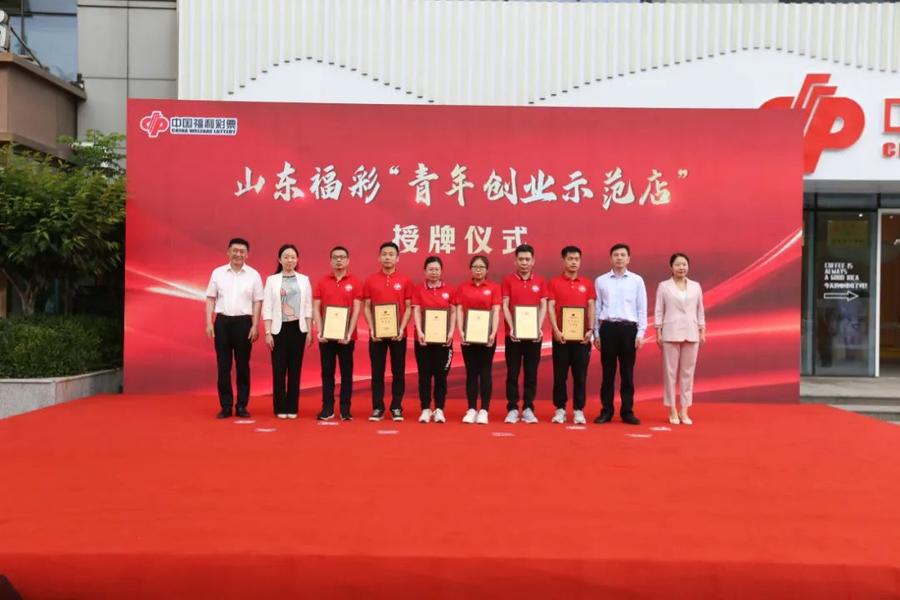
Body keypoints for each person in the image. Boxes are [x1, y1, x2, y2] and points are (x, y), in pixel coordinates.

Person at [205, 237, 264, 419]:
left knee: (242, 366)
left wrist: (255, 325)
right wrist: (209, 322)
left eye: (242, 251)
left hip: (244, 323)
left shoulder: (254, 275)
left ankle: (242, 405)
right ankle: (226, 405)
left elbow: (257, 302)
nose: (238, 254)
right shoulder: (218, 273)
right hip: (222, 323)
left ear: (247, 254)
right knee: (223, 366)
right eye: (235, 251)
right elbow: (210, 298)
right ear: (228, 252)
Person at [593, 243, 647, 425]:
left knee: (627, 374)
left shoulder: (636, 280)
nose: (619, 258)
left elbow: (641, 308)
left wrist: (640, 333)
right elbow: (597, 309)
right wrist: (596, 334)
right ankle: (606, 411)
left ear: (628, 258)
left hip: (629, 330)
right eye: (616, 255)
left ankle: (627, 412)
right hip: (608, 329)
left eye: (623, 255)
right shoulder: (601, 281)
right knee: (607, 374)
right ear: (610, 258)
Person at [363, 242, 413, 422]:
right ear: (379, 257)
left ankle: (396, 406)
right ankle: (377, 407)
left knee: (398, 372)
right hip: (377, 334)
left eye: (391, 254)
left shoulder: (405, 280)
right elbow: (366, 307)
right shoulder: (371, 280)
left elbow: (409, 307)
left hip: (398, 334)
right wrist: (372, 328)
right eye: (384, 254)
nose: (387, 257)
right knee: (377, 372)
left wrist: (401, 328)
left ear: (397, 258)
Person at [654, 253, 706, 425]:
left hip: (692, 332)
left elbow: (700, 310)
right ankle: (672, 409)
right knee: (670, 373)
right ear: (671, 267)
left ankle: (684, 410)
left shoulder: (696, 286)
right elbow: (659, 310)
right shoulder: (664, 286)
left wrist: (702, 330)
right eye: (677, 264)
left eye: (684, 264)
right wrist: (658, 331)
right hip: (670, 332)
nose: (681, 267)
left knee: (687, 373)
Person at [262, 244, 313, 419]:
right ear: (280, 259)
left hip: (298, 329)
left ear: (297, 260)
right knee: (279, 369)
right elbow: (267, 307)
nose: (289, 260)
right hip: (278, 329)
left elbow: (308, 307)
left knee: (295, 369)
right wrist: (268, 332)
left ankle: (292, 407)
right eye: (286, 257)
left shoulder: (304, 280)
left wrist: (309, 331)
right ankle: (280, 407)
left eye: (292, 257)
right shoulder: (272, 280)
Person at [312, 246, 363, 421]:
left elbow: (356, 310)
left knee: (347, 373)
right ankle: (327, 408)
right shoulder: (322, 282)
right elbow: (316, 308)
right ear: (330, 261)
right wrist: (320, 330)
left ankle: (345, 409)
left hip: (347, 337)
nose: (339, 260)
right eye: (335, 257)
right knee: (327, 373)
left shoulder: (355, 282)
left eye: (342, 257)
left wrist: (349, 333)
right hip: (326, 336)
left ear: (348, 260)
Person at [547, 245, 596, 425]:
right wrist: (555, 330)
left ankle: (578, 410)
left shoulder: (587, 283)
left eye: (576, 259)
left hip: (582, 339)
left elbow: (591, 306)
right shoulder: (554, 282)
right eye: (570, 259)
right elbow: (551, 307)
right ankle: (559, 409)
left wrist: (590, 329)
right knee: (560, 376)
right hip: (561, 337)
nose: (574, 262)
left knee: (580, 376)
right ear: (564, 260)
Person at [501, 244, 547, 424]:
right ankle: (512, 408)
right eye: (521, 259)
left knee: (531, 372)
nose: (524, 262)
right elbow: (505, 306)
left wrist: (538, 327)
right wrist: (512, 327)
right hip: (513, 335)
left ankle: (528, 408)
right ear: (515, 261)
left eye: (527, 259)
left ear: (533, 261)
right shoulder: (508, 280)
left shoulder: (540, 281)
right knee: (512, 372)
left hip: (533, 335)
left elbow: (543, 306)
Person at [455, 255, 502, 424]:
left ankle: (484, 410)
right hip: (468, 336)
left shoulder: (494, 288)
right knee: (471, 372)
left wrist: (493, 332)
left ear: (487, 270)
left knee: (485, 372)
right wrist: (461, 331)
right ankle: (471, 409)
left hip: (487, 337)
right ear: (471, 269)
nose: (478, 270)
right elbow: (459, 310)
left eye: (481, 267)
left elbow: (496, 311)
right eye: (475, 266)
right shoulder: (463, 287)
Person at [412, 256, 456, 424]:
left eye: (437, 269)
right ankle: (425, 408)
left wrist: (451, 332)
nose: (434, 272)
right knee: (424, 375)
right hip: (423, 340)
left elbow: (453, 312)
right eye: (430, 269)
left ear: (441, 271)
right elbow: (416, 311)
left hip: (443, 341)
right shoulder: (418, 289)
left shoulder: (449, 290)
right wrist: (420, 331)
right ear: (425, 271)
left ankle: (439, 409)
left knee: (441, 376)